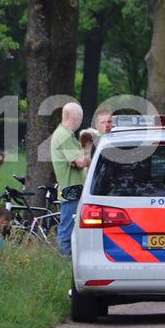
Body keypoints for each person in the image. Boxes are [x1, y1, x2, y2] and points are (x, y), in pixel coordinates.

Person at [51, 102, 90, 255]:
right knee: (67, 231)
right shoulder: (64, 135)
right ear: (70, 117)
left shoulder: (64, 134)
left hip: (70, 189)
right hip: (72, 190)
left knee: (68, 228)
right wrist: (89, 157)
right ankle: (61, 265)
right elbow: (80, 162)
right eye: (78, 118)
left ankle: (65, 264)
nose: (80, 121)